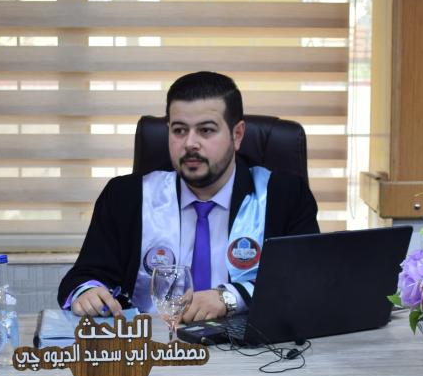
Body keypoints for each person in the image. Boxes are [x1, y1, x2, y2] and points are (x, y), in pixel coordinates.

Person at [58, 71, 319, 323]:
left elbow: (307, 283)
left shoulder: (283, 196)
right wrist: (88, 293)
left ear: (237, 135)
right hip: (151, 345)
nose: (190, 143)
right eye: (179, 130)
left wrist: (230, 297)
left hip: (252, 347)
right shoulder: (126, 197)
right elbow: (85, 276)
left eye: (206, 130)